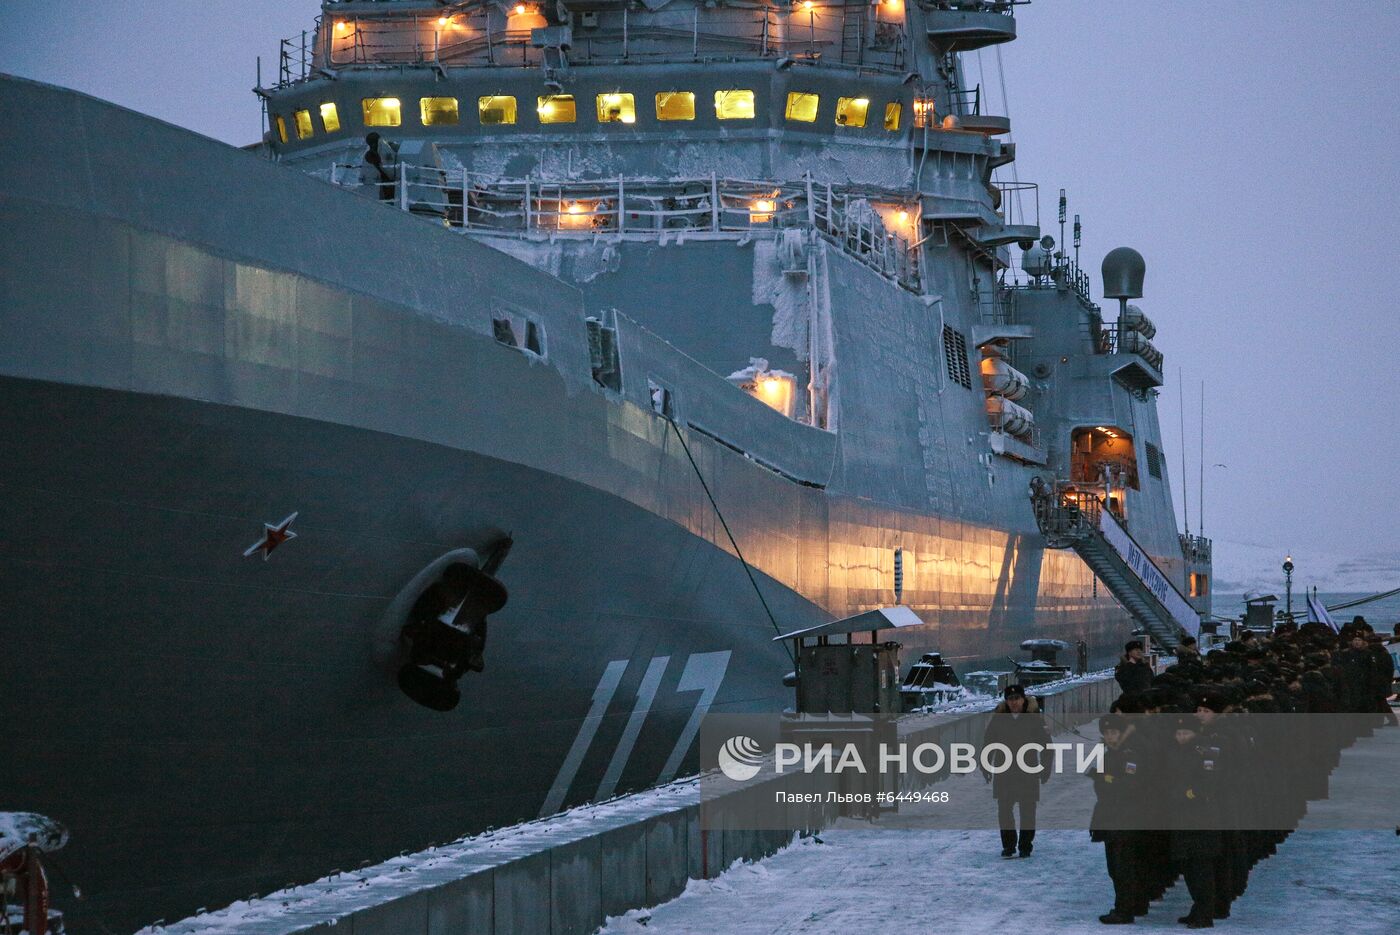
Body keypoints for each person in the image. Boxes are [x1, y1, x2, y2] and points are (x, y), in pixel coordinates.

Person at [982, 684, 1052, 858]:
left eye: (1017, 699)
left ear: (1023, 699)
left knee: (1028, 810)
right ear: (1006, 701)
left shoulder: (1034, 718)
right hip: (1004, 770)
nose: (1014, 702)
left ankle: (1025, 845)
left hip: (1028, 770)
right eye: (1010, 699)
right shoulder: (999, 719)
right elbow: (988, 742)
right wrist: (985, 765)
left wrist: (1045, 768)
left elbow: (1046, 745)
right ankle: (1009, 845)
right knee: (1004, 810)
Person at [1091, 714, 1145, 924]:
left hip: (1125, 818)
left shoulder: (1128, 754)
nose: (1110, 737)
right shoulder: (1110, 754)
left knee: (1123, 867)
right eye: (1107, 733)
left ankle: (1125, 909)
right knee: (1116, 867)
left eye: (1114, 733)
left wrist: (1106, 780)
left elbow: (1129, 786)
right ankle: (1128, 905)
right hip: (1110, 817)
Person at [360, 131, 398, 203]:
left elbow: (391, 173)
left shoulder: (385, 149)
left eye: (373, 143)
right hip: (385, 180)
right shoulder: (376, 151)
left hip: (391, 180)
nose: (373, 146)